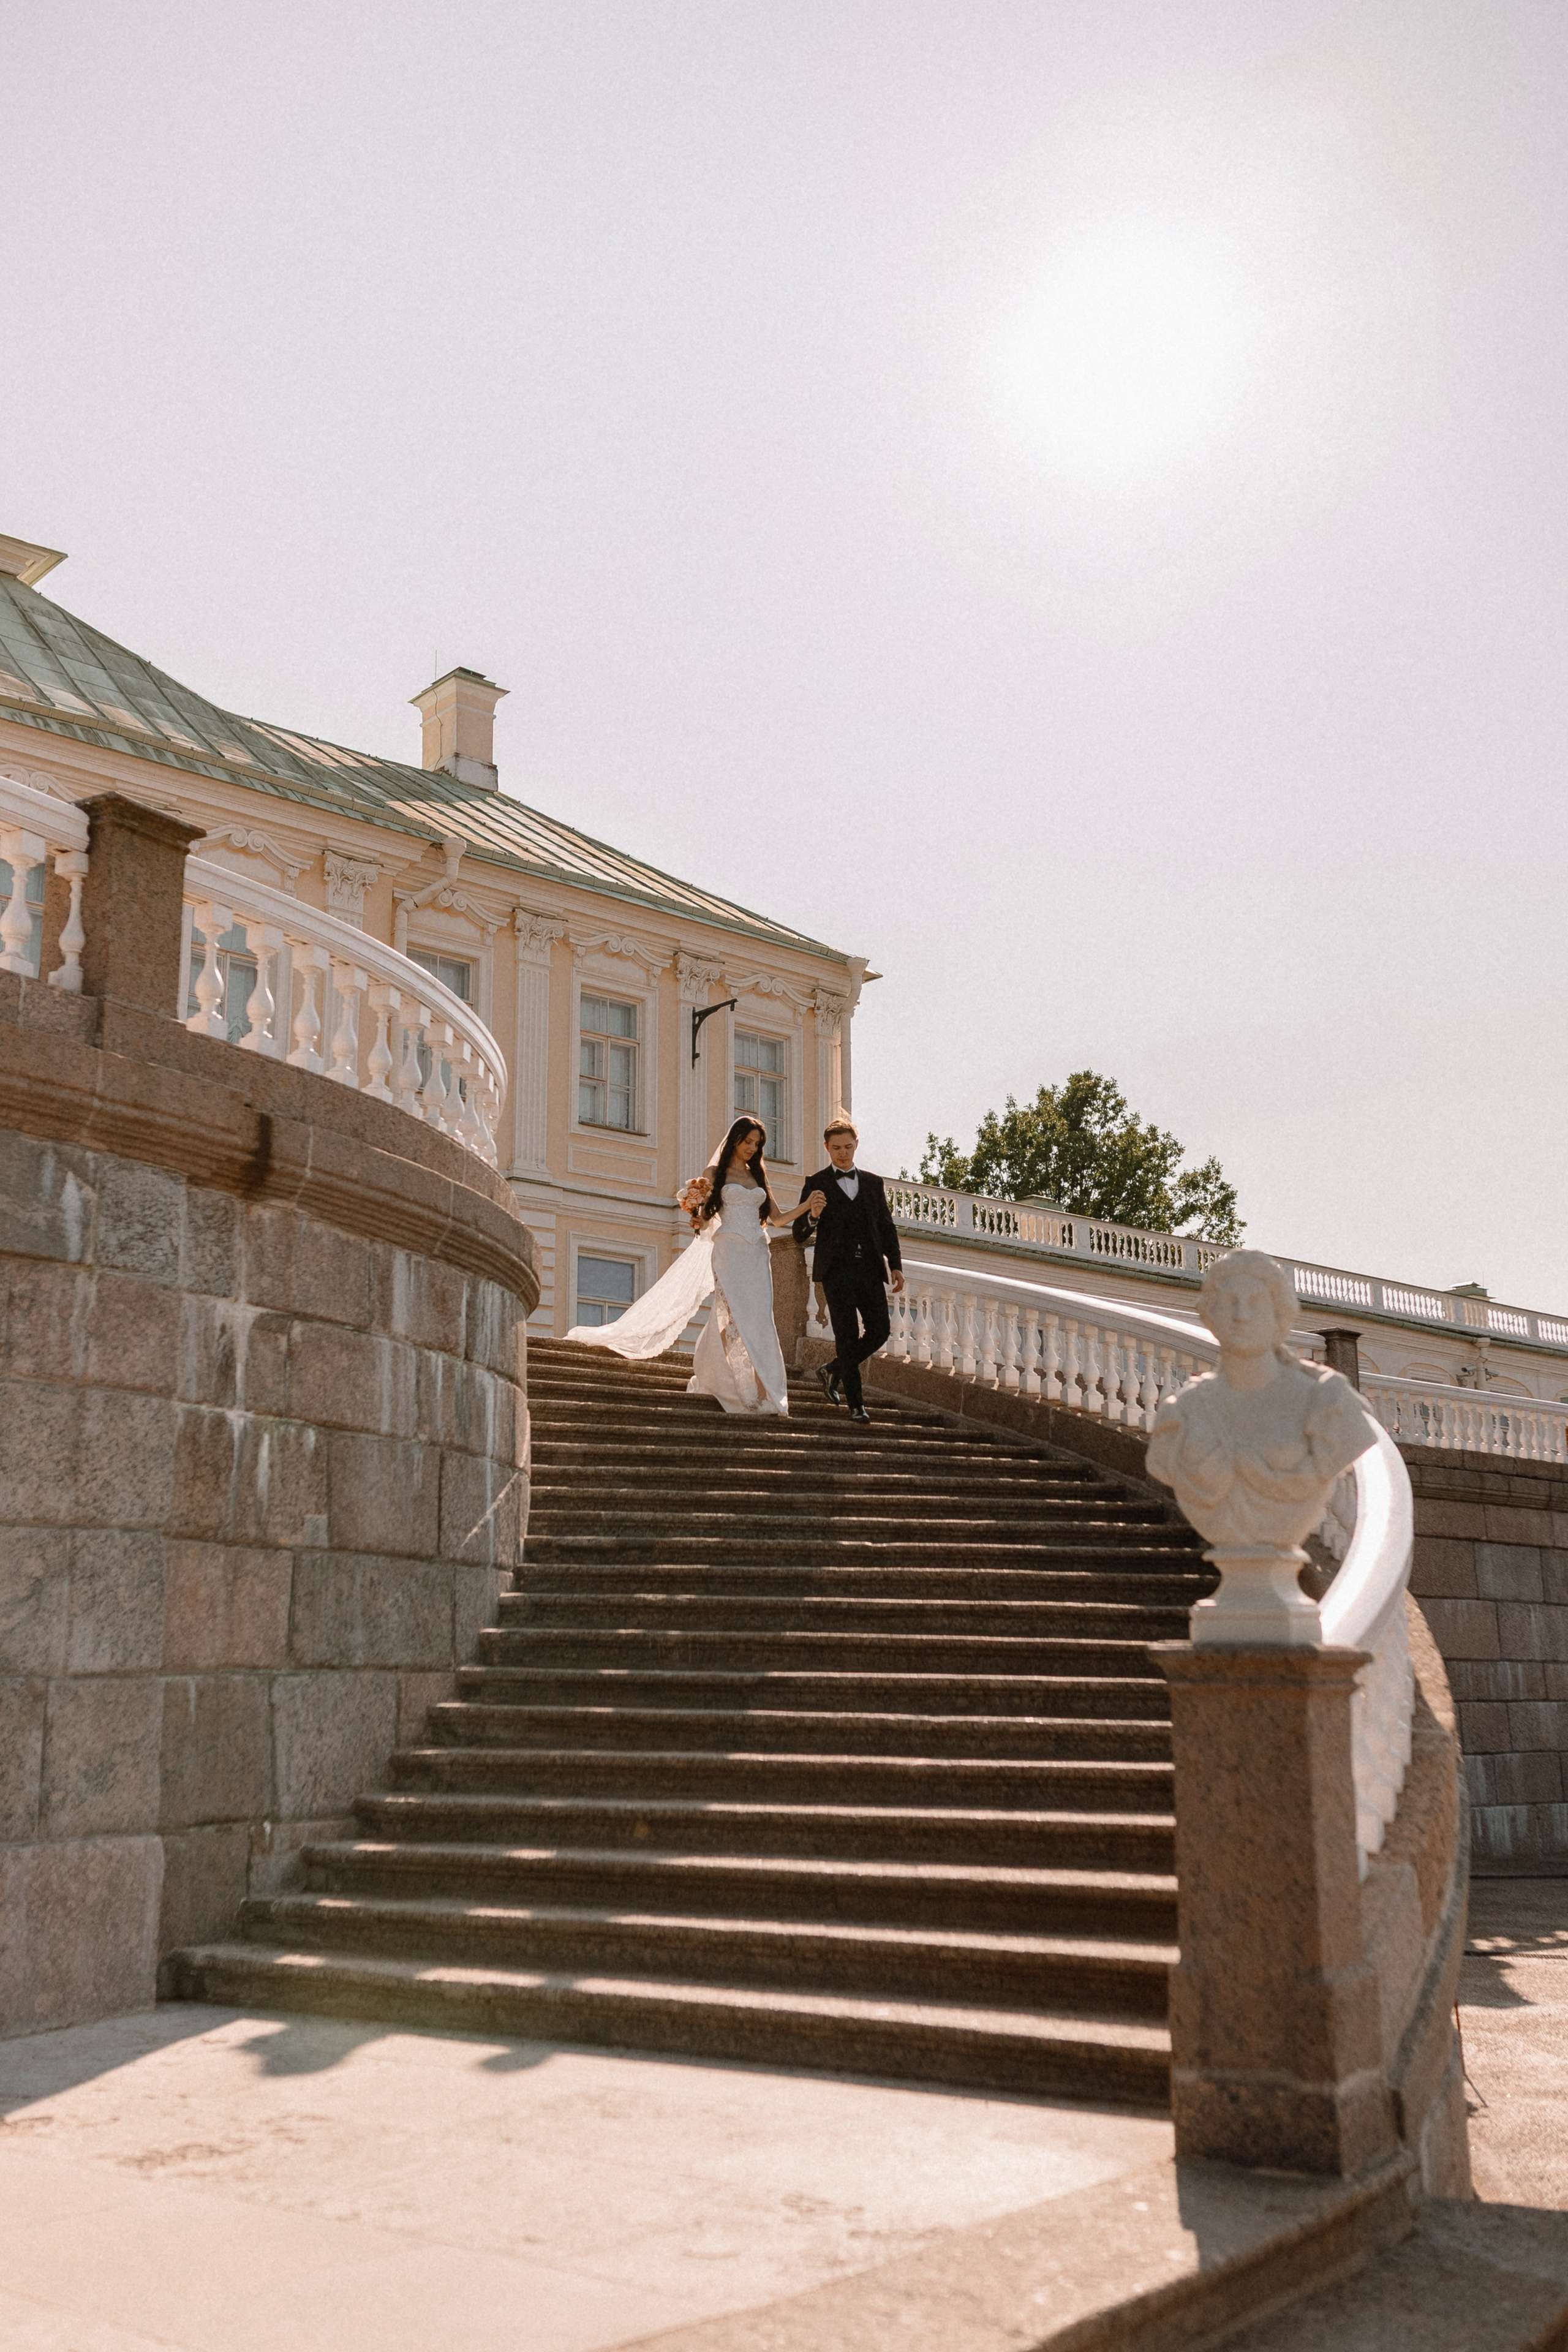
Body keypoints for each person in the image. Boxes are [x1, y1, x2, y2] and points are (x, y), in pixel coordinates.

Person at [565, 1118, 826, 1417]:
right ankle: (747, 1389)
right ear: (735, 1140)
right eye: (748, 1142)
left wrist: (808, 1205)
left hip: (757, 1252)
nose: (752, 1148)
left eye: (757, 1144)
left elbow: (777, 1219)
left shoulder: (758, 1175)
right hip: (729, 1251)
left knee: (760, 1319)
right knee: (733, 1316)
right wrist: (698, 1218)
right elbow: (705, 1218)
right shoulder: (714, 1174)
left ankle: (764, 1390)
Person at [792, 1118, 904, 1423]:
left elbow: (886, 1227)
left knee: (880, 1330)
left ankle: (833, 1369)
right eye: (837, 1148)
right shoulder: (816, 1183)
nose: (843, 1153)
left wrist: (895, 1265)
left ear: (857, 1145)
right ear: (826, 1148)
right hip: (836, 1272)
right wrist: (813, 1216)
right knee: (847, 1334)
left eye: (848, 1147)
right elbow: (799, 1234)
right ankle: (857, 1406)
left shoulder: (873, 1183)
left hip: (869, 1268)